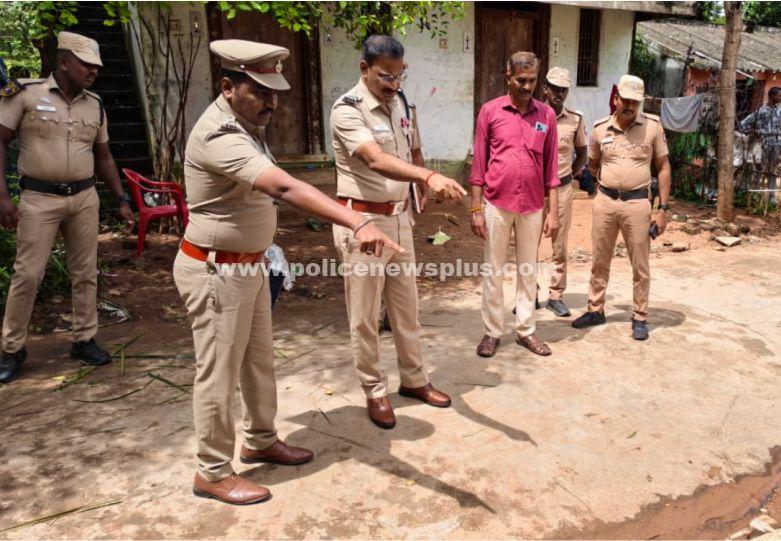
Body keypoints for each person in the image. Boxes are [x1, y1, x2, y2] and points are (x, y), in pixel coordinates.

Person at [174, 39, 405, 505]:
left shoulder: (246, 126)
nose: (271, 102)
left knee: (258, 362)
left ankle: (260, 439)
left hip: (248, 267)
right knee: (218, 373)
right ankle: (212, 471)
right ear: (228, 87)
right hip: (217, 272)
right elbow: (282, 186)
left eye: (275, 93)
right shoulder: (221, 134)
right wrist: (357, 221)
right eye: (259, 92)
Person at [330, 35, 465, 430]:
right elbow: (375, 159)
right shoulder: (347, 110)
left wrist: (417, 195)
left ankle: (414, 379)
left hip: (400, 220)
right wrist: (428, 176)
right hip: (363, 225)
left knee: (407, 308)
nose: (393, 84)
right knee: (365, 316)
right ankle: (375, 390)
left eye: (399, 76)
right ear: (364, 68)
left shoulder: (402, 102)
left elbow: (411, 149)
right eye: (385, 76)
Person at [0, 31, 135, 383]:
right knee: (28, 274)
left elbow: (103, 156)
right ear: (63, 62)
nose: (94, 71)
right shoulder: (25, 94)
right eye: (86, 64)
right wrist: (3, 197)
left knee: (86, 272)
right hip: (39, 199)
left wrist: (121, 199)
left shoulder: (95, 104)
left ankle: (84, 339)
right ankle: (13, 349)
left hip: (84, 198)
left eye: (97, 66)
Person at [471, 51, 560, 359]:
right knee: (493, 269)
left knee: (528, 269)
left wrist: (553, 213)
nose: (527, 86)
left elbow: (551, 169)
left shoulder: (546, 116)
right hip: (497, 203)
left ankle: (526, 330)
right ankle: (492, 332)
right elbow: (479, 164)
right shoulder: (490, 112)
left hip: (533, 205)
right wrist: (475, 209)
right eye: (521, 80)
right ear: (507, 76)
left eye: (532, 80)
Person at [571, 74, 671, 341]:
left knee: (640, 264)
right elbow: (593, 164)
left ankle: (640, 316)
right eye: (625, 100)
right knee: (599, 260)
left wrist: (662, 209)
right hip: (605, 202)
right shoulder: (600, 128)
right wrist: (600, 187)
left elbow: (663, 167)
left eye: (635, 102)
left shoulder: (652, 127)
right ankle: (595, 309)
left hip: (638, 204)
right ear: (616, 98)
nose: (629, 106)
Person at [540, 67, 587, 317]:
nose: (559, 93)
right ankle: (528, 293)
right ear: (545, 89)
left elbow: (583, 153)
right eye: (555, 89)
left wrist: (569, 174)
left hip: (562, 188)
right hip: (534, 191)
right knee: (528, 243)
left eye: (564, 90)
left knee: (559, 244)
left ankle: (556, 295)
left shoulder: (575, 119)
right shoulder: (532, 115)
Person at [739, 86, 781, 210]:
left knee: (773, 170)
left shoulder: (780, 111)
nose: (780, 97)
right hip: (763, 143)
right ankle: (756, 193)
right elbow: (743, 124)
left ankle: (771, 197)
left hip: (777, 143)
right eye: (779, 95)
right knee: (760, 169)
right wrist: (753, 131)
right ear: (772, 96)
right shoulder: (761, 111)